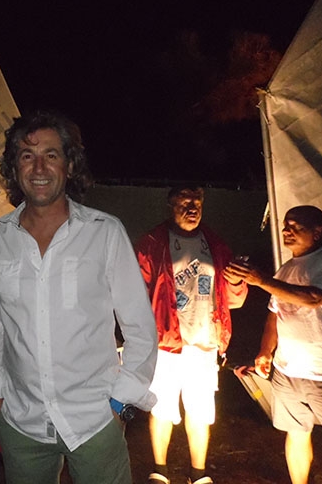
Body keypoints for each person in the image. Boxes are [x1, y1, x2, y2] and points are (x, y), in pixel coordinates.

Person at [0, 109, 158, 484]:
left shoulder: (104, 233)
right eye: (27, 155)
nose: (39, 167)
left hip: (94, 421)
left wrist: (119, 404)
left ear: (69, 165)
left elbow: (140, 326)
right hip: (21, 423)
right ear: (14, 167)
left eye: (51, 155)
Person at [225, 205, 322, 484]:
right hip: (288, 372)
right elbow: (275, 313)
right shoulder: (286, 269)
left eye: (295, 226)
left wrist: (262, 280)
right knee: (296, 434)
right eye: (285, 225)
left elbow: (313, 298)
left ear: (317, 232)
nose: (286, 230)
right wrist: (265, 352)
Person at [134, 185, 248, 484]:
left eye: (197, 202)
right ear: (171, 205)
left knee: (200, 410)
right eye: (185, 202)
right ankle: (160, 471)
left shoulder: (215, 244)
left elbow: (234, 299)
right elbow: (135, 291)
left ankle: (199, 474)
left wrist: (237, 282)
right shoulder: (152, 243)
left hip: (205, 343)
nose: (192, 208)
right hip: (166, 344)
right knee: (161, 408)